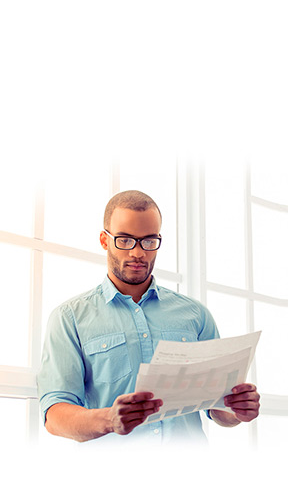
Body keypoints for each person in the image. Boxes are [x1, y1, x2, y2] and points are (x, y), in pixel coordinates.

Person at [37, 190, 260, 445]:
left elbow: (217, 409)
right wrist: (110, 419)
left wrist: (237, 410)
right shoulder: (69, 318)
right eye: (125, 240)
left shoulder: (196, 315)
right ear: (104, 240)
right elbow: (54, 415)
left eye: (148, 241)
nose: (138, 253)